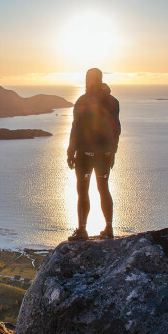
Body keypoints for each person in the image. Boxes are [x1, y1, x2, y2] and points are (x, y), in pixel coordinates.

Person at [66, 68, 120, 241]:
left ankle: (82, 230)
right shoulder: (113, 102)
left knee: (83, 190)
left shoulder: (83, 100)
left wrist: (70, 151)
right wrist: (112, 153)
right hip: (105, 154)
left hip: (85, 153)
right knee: (104, 188)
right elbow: (116, 129)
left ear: (88, 80)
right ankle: (109, 228)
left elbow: (76, 128)